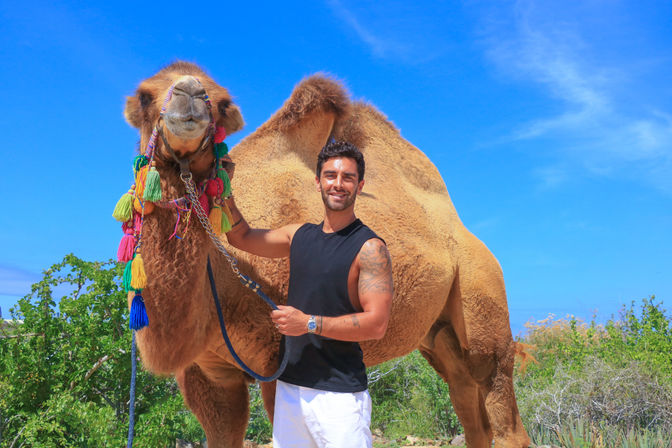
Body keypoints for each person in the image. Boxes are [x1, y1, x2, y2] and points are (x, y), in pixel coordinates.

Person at [223, 140, 393, 448]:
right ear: (318, 182)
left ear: (360, 185)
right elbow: (241, 237)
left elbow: (377, 324)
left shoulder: (370, 248)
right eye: (330, 175)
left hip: (340, 399)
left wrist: (309, 323)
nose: (338, 184)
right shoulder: (298, 235)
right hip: (290, 391)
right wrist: (224, 190)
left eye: (348, 177)